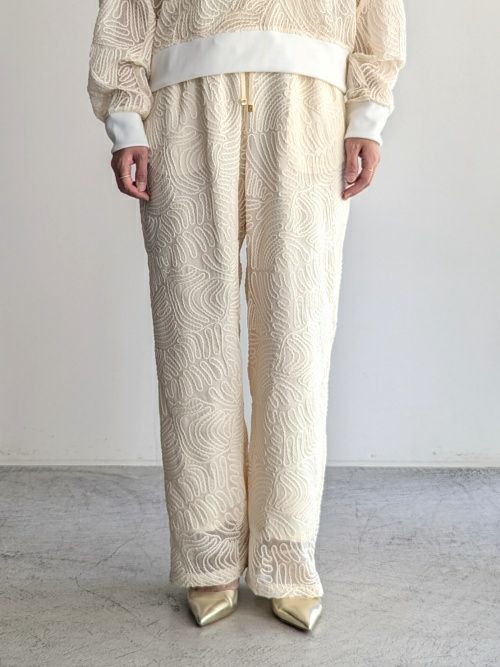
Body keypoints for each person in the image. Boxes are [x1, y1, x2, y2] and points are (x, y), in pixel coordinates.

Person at [87, 0, 406, 631]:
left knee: (297, 336)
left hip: (309, 106)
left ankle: (288, 553)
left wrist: (367, 117)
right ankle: (208, 555)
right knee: (191, 336)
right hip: (183, 102)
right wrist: (127, 122)